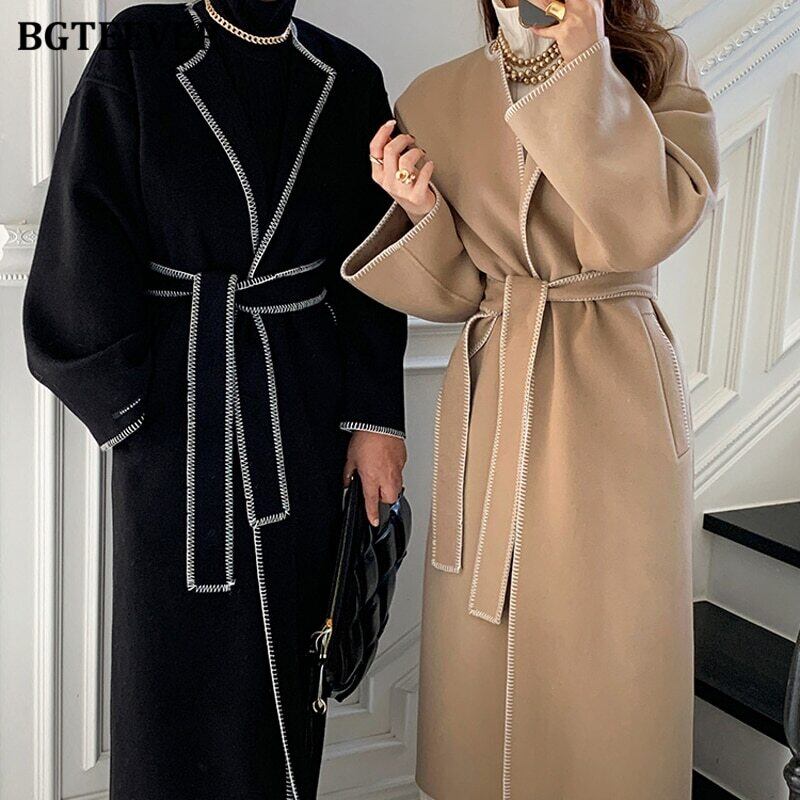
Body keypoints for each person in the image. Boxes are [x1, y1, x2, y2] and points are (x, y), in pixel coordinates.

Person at [23, 1, 407, 797]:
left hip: (302, 414)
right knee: (173, 674)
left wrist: (375, 420)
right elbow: (81, 225)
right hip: (178, 421)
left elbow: (374, 261)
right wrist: (133, 411)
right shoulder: (140, 48)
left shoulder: (349, 79)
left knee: (293, 655)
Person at [341, 0, 720, 798]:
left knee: (611, 643)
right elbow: (459, 293)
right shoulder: (436, 96)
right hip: (495, 385)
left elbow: (647, 226)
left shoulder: (654, 71)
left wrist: (586, 72)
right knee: (489, 655)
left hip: (616, 388)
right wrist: (421, 211)